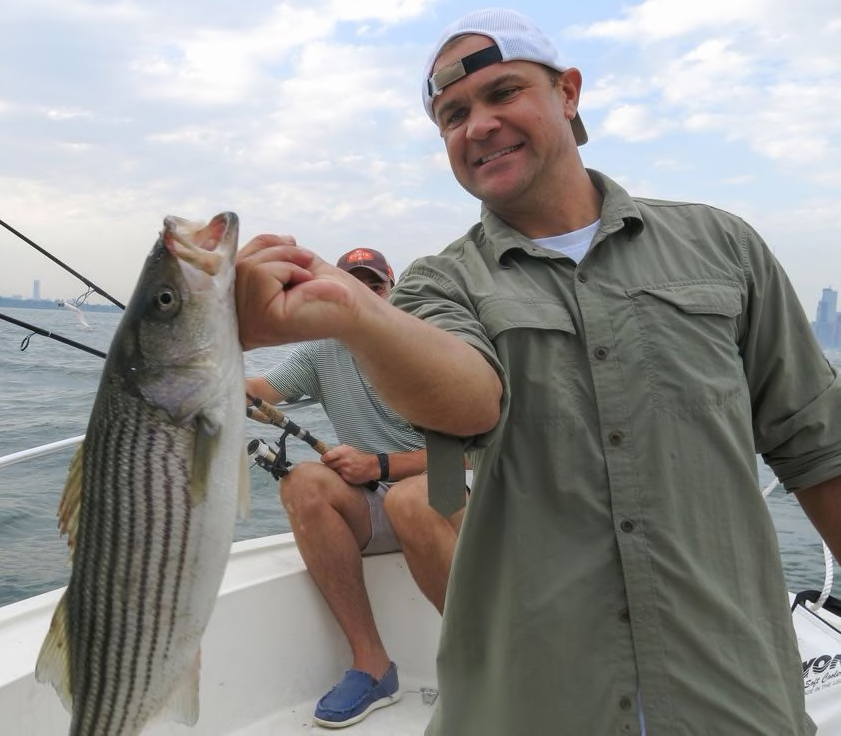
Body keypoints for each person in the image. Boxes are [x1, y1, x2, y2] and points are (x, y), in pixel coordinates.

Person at [234, 7, 841, 735]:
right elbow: (469, 405)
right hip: (532, 697)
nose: (478, 125)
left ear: (569, 92)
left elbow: (816, 446)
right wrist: (353, 317)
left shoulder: (723, 247)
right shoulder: (438, 285)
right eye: (452, 115)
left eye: (503, 93)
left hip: (734, 687)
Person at [245, 247, 464, 729]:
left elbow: (471, 451)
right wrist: (195, 372)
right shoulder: (321, 350)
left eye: (375, 286)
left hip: (448, 492)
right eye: (350, 286)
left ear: (392, 290)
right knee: (302, 483)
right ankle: (372, 666)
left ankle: (479, 665)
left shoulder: (426, 340)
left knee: (411, 497)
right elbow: (258, 390)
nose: (363, 296)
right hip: (378, 500)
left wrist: (379, 463)